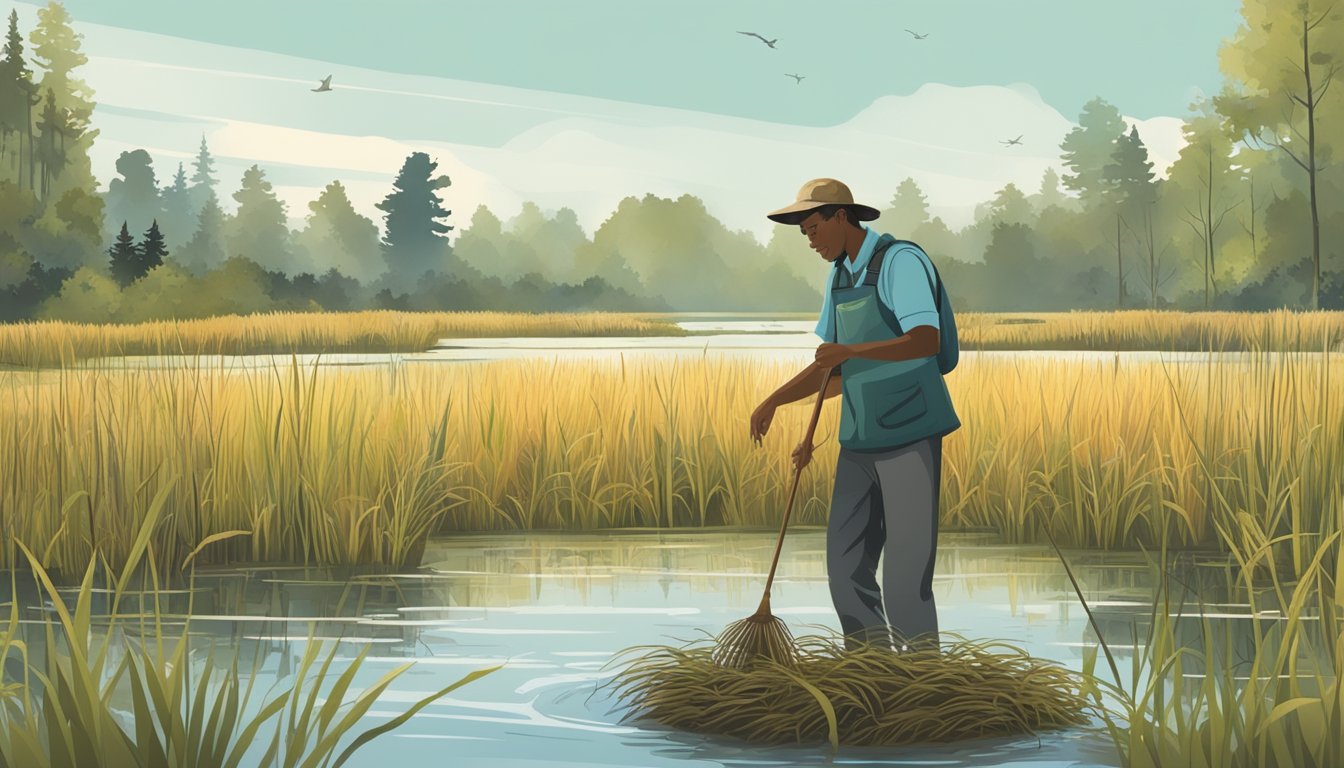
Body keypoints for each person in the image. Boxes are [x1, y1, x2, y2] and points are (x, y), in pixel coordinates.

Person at [749, 177, 960, 653]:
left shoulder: (900, 262)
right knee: (846, 571)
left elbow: (924, 341)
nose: (810, 240)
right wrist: (776, 401)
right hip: (859, 441)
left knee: (905, 577)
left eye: (814, 227)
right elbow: (833, 368)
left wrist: (851, 349)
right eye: (803, 233)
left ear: (842, 217)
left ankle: (922, 684)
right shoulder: (840, 276)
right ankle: (870, 673)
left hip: (909, 437)